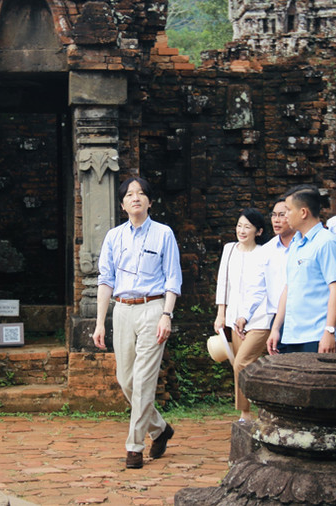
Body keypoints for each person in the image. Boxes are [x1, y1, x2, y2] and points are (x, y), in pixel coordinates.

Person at [93, 177, 182, 469]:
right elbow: (105, 280)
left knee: (143, 380)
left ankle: (134, 446)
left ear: (150, 201)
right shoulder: (113, 237)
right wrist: (99, 323)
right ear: (122, 204)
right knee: (125, 379)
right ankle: (160, 429)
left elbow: (173, 279)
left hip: (153, 308)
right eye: (130, 194)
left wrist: (166, 315)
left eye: (141, 193)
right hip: (122, 310)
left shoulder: (164, 234)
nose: (135, 198)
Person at [267, 185, 336, 355]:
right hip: (292, 334)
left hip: (318, 334)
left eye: (288, 210)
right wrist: (276, 329)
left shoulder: (326, 242)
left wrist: (329, 331)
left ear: (303, 212)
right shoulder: (296, 243)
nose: (285, 215)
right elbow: (289, 287)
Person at [213, 208, 269, 421]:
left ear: (259, 231)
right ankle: (250, 411)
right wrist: (221, 314)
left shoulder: (265, 253)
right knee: (244, 365)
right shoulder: (229, 249)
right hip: (234, 318)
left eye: (247, 227)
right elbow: (223, 282)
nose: (242, 230)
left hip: (259, 318)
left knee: (242, 363)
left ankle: (254, 409)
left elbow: (264, 287)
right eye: (239, 225)